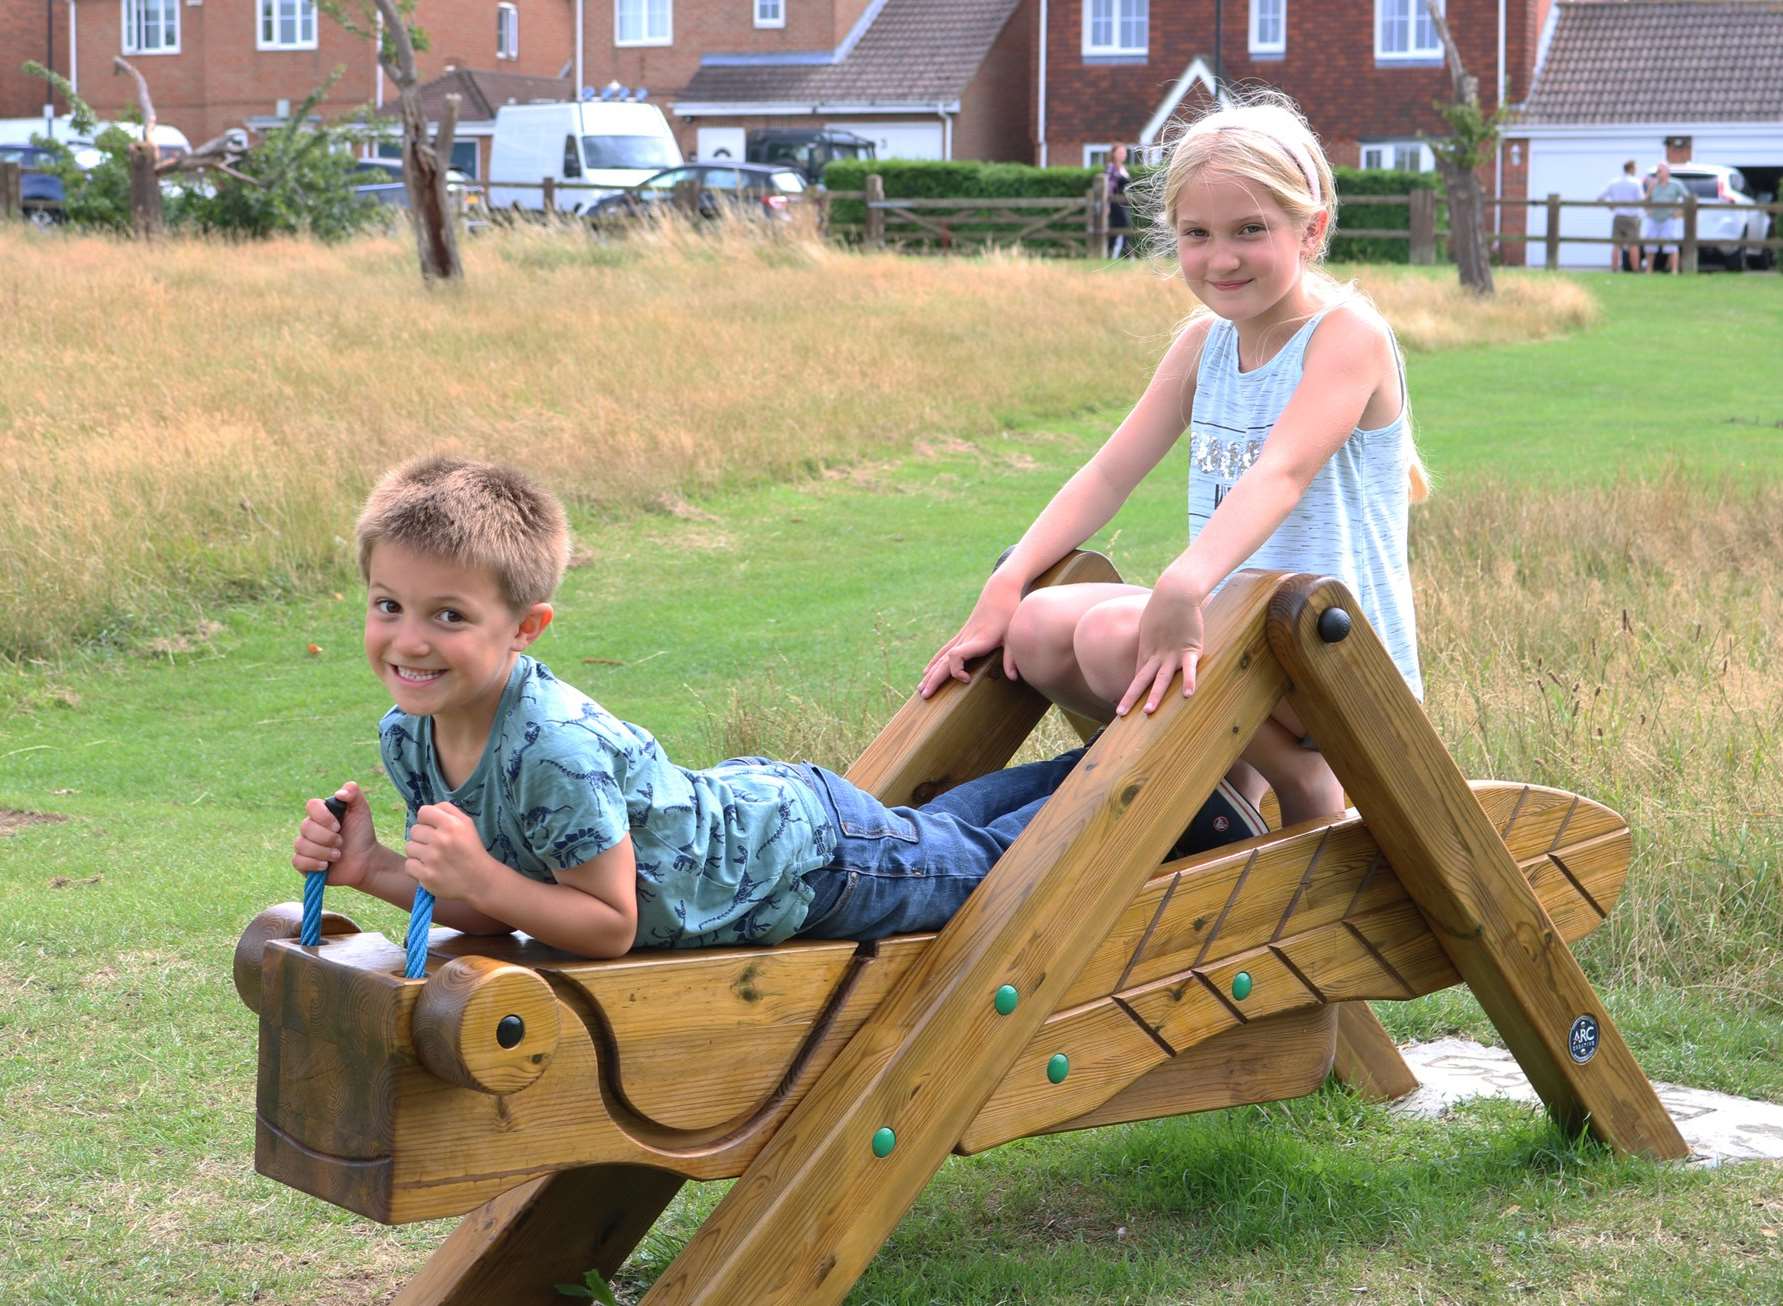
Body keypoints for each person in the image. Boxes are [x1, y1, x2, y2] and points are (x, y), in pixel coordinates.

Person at [291, 457, 1261, 959]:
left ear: (526, 626)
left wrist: (478, 881)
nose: (409, 640)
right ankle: (1141, 772)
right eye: (389, 606)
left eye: (447, 615)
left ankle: (1171, 786)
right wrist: (374, 866)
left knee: (989, 867)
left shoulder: (551, 751)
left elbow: (604, 924)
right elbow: (504, 891)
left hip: (800, 866)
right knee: (938, 835)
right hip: (758, 826)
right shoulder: (410, 736)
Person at [919, 92, 1428, 832]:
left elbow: (1280, 474)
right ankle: (1228, 784)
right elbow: (1108, 473)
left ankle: (1306, 785)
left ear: (1310, 229)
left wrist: (1184, 579)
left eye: (1250, 230)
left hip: (1331, 653)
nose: (1220, 258)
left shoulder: (1346, 336)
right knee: (1033, 630)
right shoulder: (1202, 345)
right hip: (1232, 637)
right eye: (1197, 233)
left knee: (1101, 638)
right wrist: (1008, 579)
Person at [1598, 159, 1646, 272]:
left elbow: (1600, 197)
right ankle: (1635, 270)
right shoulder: (1636, 182)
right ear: (1631, 169)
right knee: (1634, 245)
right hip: (1632, 218)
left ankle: (1614, 269)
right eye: (1635, 168)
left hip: (1618, 217)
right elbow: (1642, 200)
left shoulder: (1614, 182)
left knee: (1616, 245)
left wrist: (1610, 206)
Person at [1644, 162, 1691, 274]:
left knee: (1671, 245)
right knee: (1650, 245)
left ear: (1667, 172)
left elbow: (1689, 199)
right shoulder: (1652, 185)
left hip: (1669, 219)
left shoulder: (1676, 184)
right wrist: (1648, 209)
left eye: (1660, 171)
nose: (1657, 173)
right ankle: (1648, 270)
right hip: (1653, 219)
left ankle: (1674, 270)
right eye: (1657, 171)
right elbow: (1645, 201)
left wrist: (1680, 213)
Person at [1105, 143, 1133, 257]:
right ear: (1114, 154)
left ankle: (1117, 253)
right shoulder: (1111, 168)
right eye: (1120, 152)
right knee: (1124, 226)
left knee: (1120, 227)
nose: (1123, 154)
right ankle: (1125, 253)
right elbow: (1109, 188)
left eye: (1124, 152)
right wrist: (1106, 205)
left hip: (1125, 204)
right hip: (1116, 204)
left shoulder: (1123, 169)